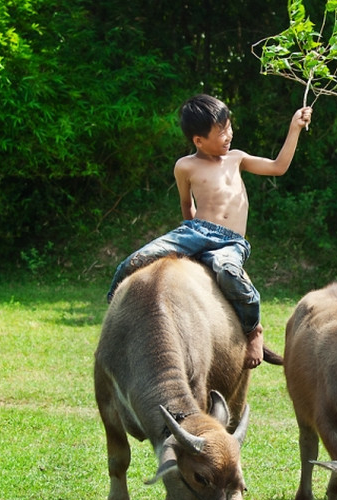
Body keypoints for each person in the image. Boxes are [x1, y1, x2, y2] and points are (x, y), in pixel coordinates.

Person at [108, 94, 312, 368]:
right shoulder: (185, 166)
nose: (228, 136)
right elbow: (186, 204)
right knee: (133, 262)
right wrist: (186, 244)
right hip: (195, 232)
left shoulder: (237, 159)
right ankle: (113, 320)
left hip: (231, 242)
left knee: (228, 272)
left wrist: (294, 128)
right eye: (220, 133)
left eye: (228, 128)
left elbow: (278, 167)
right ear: (198, 141)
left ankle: (253, 330)